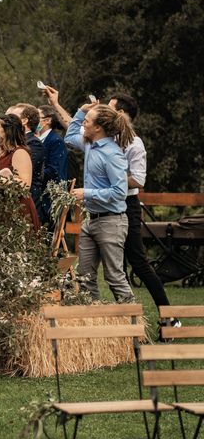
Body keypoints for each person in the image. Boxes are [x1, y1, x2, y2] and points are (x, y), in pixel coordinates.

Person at [108, 93, 176, 319]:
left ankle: (169, 318)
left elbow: (138, 180)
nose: (105, 111)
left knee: (138, 262)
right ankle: (128, 317)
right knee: (117, 264)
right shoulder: (106, 138)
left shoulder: (134, 143)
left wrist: (108, 179)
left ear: (120, 113)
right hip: (108, 203)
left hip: (127, 204)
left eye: (109, 108)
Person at [65, 102, 135, 302]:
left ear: (98, 128)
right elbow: (69, 138)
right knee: (84, 277)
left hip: (111, 222)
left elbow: (119, 192)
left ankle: (135, 328)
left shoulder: (112, 154)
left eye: (86, 121)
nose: (83, 123)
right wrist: (80, 111)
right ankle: (94, 324)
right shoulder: (89, 143)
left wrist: (88, 193)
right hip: (90, 220)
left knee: (114, 277)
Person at [0, 114, 41, 230]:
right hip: (1, 207)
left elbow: (25, 186)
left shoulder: (19, 152)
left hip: (17, 209)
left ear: (7, 131)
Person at [8, 103, 45, 218]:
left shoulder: (33, 143)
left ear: (24, 121)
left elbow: (19, 171)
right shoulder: (14, 141)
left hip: (26, 203)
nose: (7, 121)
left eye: (12, 117)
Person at [37, 105, 68, 225]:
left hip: (49, 198)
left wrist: (33, 176)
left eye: (37, 117)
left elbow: (55, 170)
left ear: (47, 120)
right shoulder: (37, 139)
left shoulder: (56, 141)